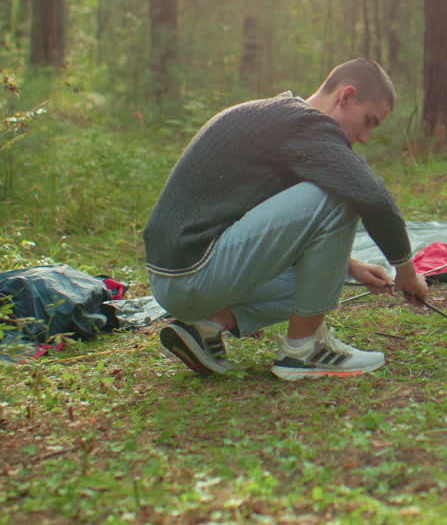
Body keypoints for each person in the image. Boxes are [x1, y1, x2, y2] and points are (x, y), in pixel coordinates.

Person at [143, 58, 428, 379]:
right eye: (368, 121)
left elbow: (271, 227)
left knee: (323, 279)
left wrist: (350, 266)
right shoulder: (304, 124)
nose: (365, 137)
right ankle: (304, 351)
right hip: (194, 273)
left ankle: (207, 325)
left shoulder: (280, 120)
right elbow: (372, 197)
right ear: (346, 96)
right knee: (341, 193)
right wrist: (406, 271)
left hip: (174, 280)